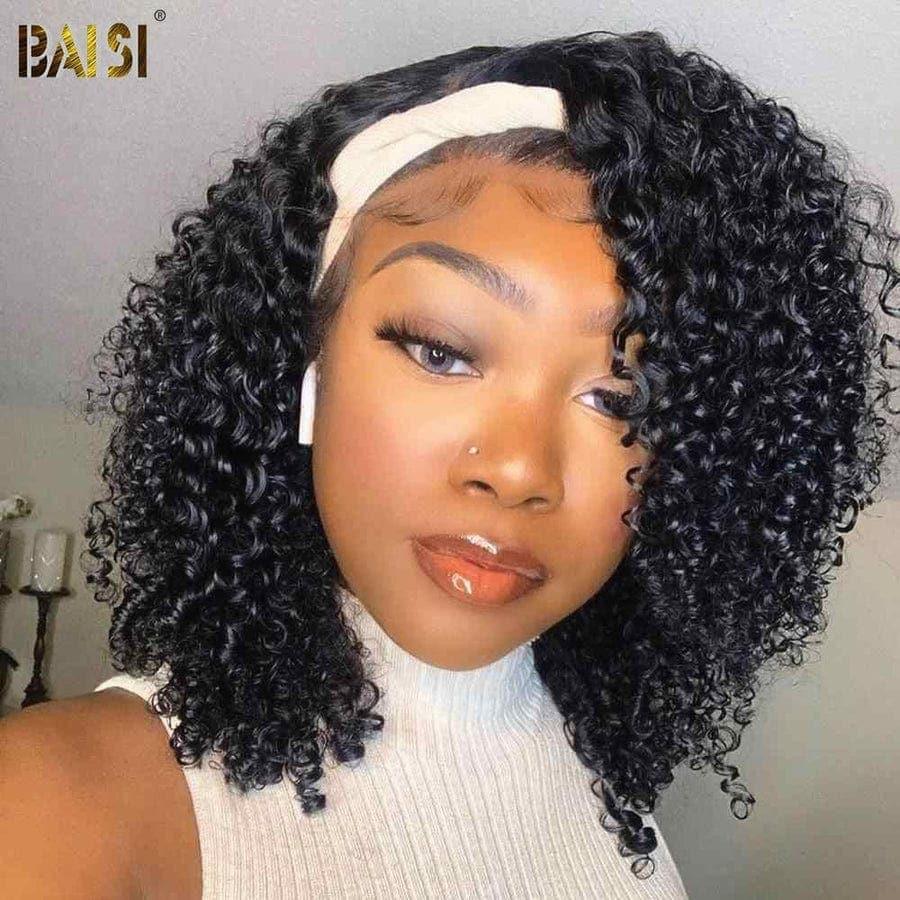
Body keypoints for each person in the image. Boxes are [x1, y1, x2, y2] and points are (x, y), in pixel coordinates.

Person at [1, 28, 897, 899]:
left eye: (621, 403)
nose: (518, 470)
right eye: (441, 350)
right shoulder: (60, 804)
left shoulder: (602, 788)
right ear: (305, 366)